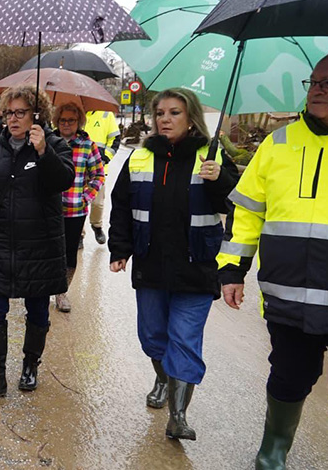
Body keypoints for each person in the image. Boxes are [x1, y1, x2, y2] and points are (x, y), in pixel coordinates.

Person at [217, 55, 328, 469]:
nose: (318, 90)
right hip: (288, 291)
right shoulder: (277, 144)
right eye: (314, 82)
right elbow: (247, 213)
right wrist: (233, 271)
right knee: (290, 373)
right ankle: (273, 450)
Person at [108, 88, 237, 441]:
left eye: (174, 112)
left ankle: (178, 416)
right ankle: (163, 378)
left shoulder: (212, 156)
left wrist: (221, 179)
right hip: (150, 265)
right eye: (160, 113)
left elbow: (235, 205)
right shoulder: (140, 158)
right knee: (152, 336)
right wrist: (119, 249)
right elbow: (121, 206)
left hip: (197, 266)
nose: (165, 119)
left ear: (191, 117)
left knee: (185, 339)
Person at [0, 86, 75, 400]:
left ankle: (30, 366)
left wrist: (44, 152)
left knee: (37, 310)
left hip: (40, 245)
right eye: (8, 113)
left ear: (36, 114)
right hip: (2, 242)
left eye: (20, 113)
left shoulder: (54, 144)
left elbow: (64, 180)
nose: (13, 119)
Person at [53, 102, 105, 313]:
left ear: (79, 122)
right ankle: (41, 291)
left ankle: (61, 293)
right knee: (46, 250)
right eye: (63, 120)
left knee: (69, 253)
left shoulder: (87, 145)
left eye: (71, 120)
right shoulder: (48, 141)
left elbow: (98, 174)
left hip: (75, 210)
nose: (66, 124)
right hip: (49, 209)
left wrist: (86, 197)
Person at [85, 109, 121, 244]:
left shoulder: (106, 114)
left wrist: (105, 158)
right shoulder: (74, 112)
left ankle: (96, 225)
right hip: (77, 167)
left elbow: (115, 139)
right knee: (77, 203)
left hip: (98, 169)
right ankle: (79, 235)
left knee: (97, 203)